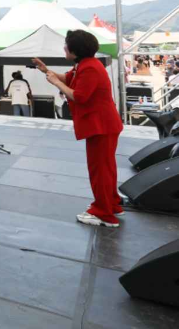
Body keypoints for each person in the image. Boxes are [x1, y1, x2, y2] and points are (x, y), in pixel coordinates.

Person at [34, 30, 124, 228]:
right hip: (104, 124)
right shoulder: (85, 65)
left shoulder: (89, 68)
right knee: (106, 168)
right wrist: (45, 70)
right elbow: (68, 79)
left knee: (99, 170)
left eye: (66, 46)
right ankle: (111, 204)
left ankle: (104, 214)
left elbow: (79, 96)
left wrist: (56, 82)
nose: (64, 48)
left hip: (101, 126)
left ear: (74, 50)